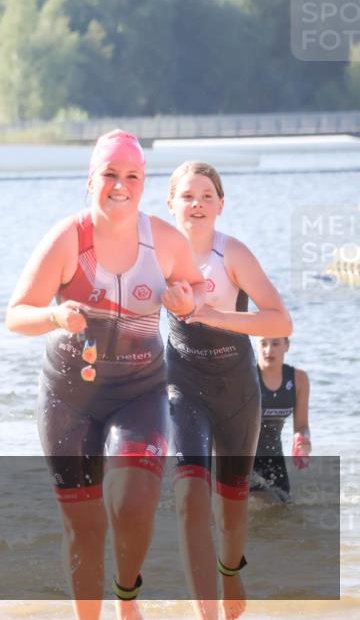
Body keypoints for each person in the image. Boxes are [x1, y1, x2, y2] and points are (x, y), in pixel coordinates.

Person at [6, 130, 205, 620]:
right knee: (84, 527)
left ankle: (127, 597)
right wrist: (54, 317)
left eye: (132, 176)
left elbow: (196, 290)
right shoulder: (67, 239)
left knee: (133, 500)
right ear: (90, 180)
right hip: (68, 398)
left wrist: (186, 301)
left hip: (140, 390)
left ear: (143, 182)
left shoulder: (164, 239)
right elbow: (16, 314)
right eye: (110, 175)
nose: (121, 185)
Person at [165, 161, 292, 620]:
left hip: (238, 389)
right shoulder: (156, 253)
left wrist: (212, 316)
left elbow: (280, 320)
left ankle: (230, 568)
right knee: (187, 495)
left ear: (220, 204)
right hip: (183, 385)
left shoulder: (232, 253)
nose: (196, 204)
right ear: (170, 204)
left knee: (231, 507)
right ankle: (205, 610)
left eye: (206, 196)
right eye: (187, 196)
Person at [251, 336, 310, 502]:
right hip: (243, 457)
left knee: (284, 509)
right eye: (263, 343)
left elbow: (302, 426)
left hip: (274, 458)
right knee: (260, 503)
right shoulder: (247, 377)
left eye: (275, 343)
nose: (269, 350)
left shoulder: (299, 379)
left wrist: (303, 440)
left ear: (287, 345)